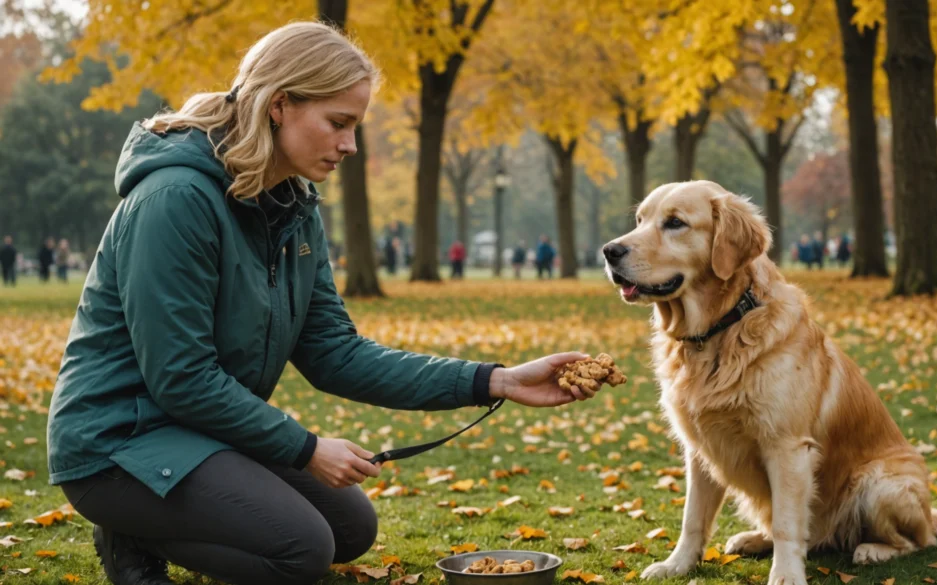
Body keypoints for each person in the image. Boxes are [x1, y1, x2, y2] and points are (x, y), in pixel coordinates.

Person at [46, 22, 598, 585]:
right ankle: (131, 530)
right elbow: (182, 377)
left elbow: (335, 352)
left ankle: (156, 521)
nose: (350, 146)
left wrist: (497, 381)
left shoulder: (294, 205)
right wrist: (306, 448)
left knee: (351, 529)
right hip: (119, 444)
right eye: (339, 123)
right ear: (280, 104)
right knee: (302, 549)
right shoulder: (174, 200)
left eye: (354, 126)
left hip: (199, 433)